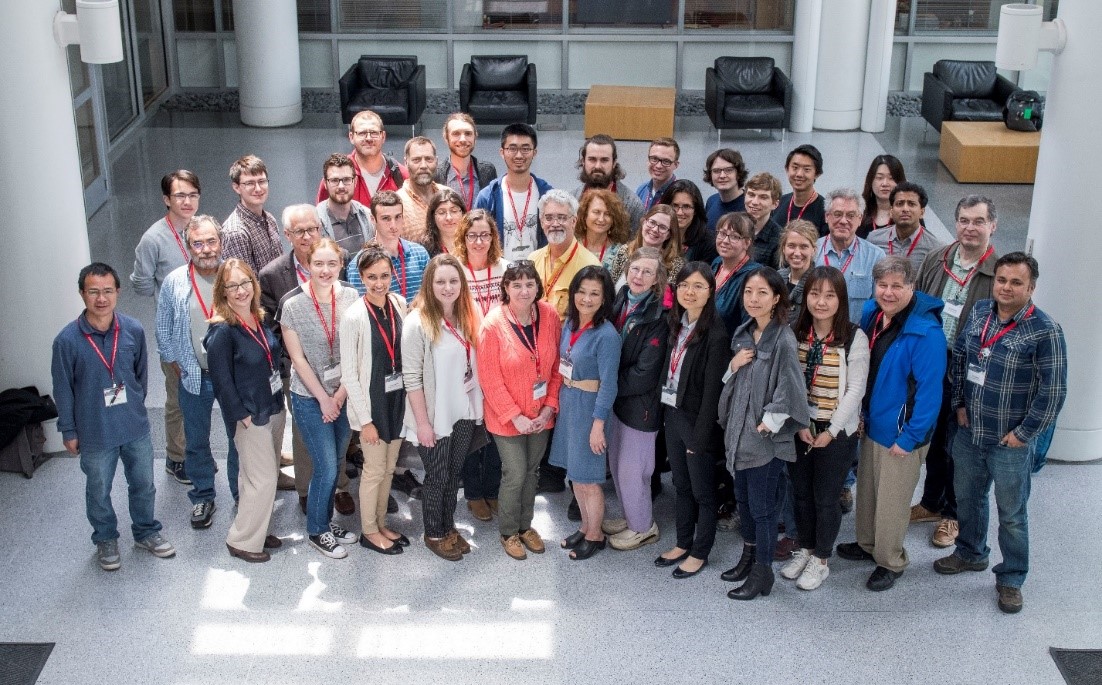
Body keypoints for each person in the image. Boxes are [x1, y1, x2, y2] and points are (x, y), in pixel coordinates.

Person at [936, 252, 1067, 614]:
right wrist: (959, 404)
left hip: (1010, 441)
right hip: (970, 431)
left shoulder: (1045, 330)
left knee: (1012, 514)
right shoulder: (979, 312)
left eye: (1016, 282)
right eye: (1002, 280)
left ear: (1031, 287)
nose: (1006, 288)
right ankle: (971, 552)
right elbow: (961, 359)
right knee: (968, 499)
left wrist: (1024, 434)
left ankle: (1011, 577)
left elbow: (1053, 392)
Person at [52, 262, 175, 571]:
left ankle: (146, 531)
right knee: (98, 489)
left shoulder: (132, 329)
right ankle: (105, 537)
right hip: (95, 432)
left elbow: (140, 377)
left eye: (107, 291)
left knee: (144, 483)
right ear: (82, 294)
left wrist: (133, 405)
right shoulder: (67, 341)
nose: (101, 298)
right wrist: (68, 430)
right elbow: (63, 390)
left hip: (133, 425)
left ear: (118, 292)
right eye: (93, 292)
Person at [836, 256, 947, 592]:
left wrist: (910, 437)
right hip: (872, 423)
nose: (888, 292)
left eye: (897, 285)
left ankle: (890, 561)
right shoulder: (873, 314)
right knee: (868, 491)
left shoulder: (926, 333)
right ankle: (868, 544)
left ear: (912, 287)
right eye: (882, 285)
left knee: (892, 503)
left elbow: (929, 394)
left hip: (902, 434)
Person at [911, 195, 1000, 549]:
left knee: (958, 445)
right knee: (933, 440)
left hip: (971, 370)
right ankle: (931, 502)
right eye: (964, 220)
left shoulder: (998, 271)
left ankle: (953, 514)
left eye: (978, 221)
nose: (970, 228)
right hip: (934, 363)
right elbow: (918, 302)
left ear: (993, 225)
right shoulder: (938, 259)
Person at [717, 268, 810, 600]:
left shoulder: (783, 338)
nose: (753, 299)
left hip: (765, 442)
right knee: (743, 501)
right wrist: (733, 366)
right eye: (748, 292)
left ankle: (763, 572)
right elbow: (732, 381)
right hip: (738, 437)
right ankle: (748, 556)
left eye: (761, 293)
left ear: (777, 298)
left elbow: (791, 388)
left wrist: (769, 422)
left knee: (763, 508)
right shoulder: (743, 333)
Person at [260, 204, 354, 512]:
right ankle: (305, 488)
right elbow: (273, 329)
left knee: (339, 429)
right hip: (298, 369)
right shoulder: (273, 275)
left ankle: (337, 485)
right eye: (299, 231)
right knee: (304, 433)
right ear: (287, 235)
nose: (306, 236)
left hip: (339, 369)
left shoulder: (340, 265)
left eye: (312, 229)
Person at [781, 266, 869, 591]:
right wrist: (801, 423)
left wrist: (831, 430)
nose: (821, 301)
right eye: (815, 294)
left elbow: (856, 389)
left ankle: (821, 559)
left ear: (841, 299)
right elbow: (789, 384)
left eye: (830, 295)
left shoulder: (854, 336)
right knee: (800, 493)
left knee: (826, 497)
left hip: (837, 432)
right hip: (801, 428)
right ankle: (805, 548)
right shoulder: (794, 331)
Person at [277, 238, 360, 559]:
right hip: (309, 398)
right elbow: (297, 359)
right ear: (307, 266)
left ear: (341, 266)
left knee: (337, 461)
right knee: (325, 466)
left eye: (332, 264)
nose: (325, 270)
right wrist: (325, 400)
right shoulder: (293, 305)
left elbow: (355, 351)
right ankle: (316, 531)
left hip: (343, 393)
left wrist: (339, 395)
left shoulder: (352, 297)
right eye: (318, 264)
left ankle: (324, 521)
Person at [156, 215, 239, 529]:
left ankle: (241, 496)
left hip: (231, 376)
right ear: (188, 246)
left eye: (211, 241)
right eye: (197, 243)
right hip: (194, 375)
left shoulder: (235, 275)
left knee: (238, 438)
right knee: (196, 440)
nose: (205, 249)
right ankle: (203, 495)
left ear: (221, 242)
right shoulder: (175, 281)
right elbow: (163, 327)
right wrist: (173, 360)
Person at [401, 254, 486, 561]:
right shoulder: (417, 322)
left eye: (453, 281)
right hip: (434, 417)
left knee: (453, 474)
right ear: (429, 284)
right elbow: (411, 378)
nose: (448, 287)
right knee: (436, 476)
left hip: (462, 412)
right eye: (440, 282)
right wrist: (422, 424)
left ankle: (448, 527)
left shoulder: (468, 315)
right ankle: (434, 533)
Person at [477, 261, 563, 560]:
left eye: (530, 284)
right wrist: (516, 416)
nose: (524, 290)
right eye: (517, 285)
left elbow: (556, 368)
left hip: (541, 416)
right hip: (507, 418)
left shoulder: (550, 315)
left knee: (532, 470)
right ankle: (509, 531)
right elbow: (489, 379)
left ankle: (527, 526)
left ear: (538, 286)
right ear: (506, 288)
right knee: (514, 472)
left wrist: (549, 408)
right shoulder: (492, 325)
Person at [204, 259, 286, 563]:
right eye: (232, 285)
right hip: (251, 415)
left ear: (254, 284)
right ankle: (241, 541)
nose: (240, 290)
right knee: (261, 480)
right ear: (222, 292)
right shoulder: (222, 332)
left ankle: (256, 528)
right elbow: (221, 382)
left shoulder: (258, 318)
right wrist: (242, 415)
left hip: (273, 406)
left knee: (255, 478)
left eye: (245, 283)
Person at [654, 263, 731, 579]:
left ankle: (700, 551)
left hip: (697, 424)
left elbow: (713, 392)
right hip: (673, 416)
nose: (690, 291)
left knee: (703, 491)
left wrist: (699, 439)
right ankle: (683, 542)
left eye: (699, 286)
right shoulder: (677, 323)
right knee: (681, 485)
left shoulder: (716, 333)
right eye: (685, 285)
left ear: (711, 291)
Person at [339, 244, 412, 555]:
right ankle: (369, 531)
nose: (380, 283)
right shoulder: (353, 316)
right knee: (373, 470)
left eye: (385, 275)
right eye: (372, 277)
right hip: (372, 405)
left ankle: (381, 523)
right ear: (361, 278)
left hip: (397, 400)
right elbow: (349, 375)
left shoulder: (398, 302)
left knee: (389, 467)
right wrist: (365, 422)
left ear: (392, 274)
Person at [130, 169, 199, 486]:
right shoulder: (153, 238)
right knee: (178, 399)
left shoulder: (203, 228)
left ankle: (195, 452)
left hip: (203, 329)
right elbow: (142, 284)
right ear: (166, 199)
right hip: (174, 333)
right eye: (180, 196)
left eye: (192, 195)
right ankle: (177, 458)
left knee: (199, 396)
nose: (187, 201)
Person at [551, 266, 621, 560]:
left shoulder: (607, 335)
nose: (587, 299)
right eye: (581, 291)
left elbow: (609, 384)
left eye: (595, 293)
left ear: (605, 299)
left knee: (589, 479)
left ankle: (596, 534)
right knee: (575, 476)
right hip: (570, 402)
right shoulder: (570, 323)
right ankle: (585, 525)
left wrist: (598, 424)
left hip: (590, 409)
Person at [602, 247, 669, 551]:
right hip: (619, 402)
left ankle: (643, 527)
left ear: (657, 281)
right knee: (616, 464)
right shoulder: (620, 301)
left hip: (640, 407)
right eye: (635, 269)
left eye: (647, 272)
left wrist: (607, 386)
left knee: (633, 469)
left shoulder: (658, 318)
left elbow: (645, 374)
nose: (639, 276)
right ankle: (632, 516)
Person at [474, 123, 553, 262]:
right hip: (500, 274)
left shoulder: (547, 195)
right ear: (502, 152)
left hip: (538, 274)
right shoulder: (487, 197)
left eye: (526, 149)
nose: (519, 155)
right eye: (512, 148)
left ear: (535, 152)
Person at [814, 188, 886, 323]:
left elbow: (880, 305)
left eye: (851, 215)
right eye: (837, 214)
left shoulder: (876, 256)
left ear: (860, 219)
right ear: (827, 216)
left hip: (856, 336)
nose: (843, 221)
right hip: (815, 334)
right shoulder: (812, 251)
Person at [347, 191, 431, 306]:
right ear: (373, 219)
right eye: (386, 218)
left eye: (398, 217)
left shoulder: (420, 254)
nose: (393, 225)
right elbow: (361, 309)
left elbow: (430, 297)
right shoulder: (360, 263)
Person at [529, 189, 601, 321]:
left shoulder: (590, 266)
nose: (555, 224)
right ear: (541, 222)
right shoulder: (532, 260)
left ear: (574, 221)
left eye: (562, 217)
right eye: (549, 218)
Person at [317, 109, 407, 207]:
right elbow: (322, 216)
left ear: (383, 136)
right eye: (362, 133)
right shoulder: (335, 176)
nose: (368, 138)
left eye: (374, 133)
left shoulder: (401, 176)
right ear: (351, 137)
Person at [221, 155, 284, 276]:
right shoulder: (235, 231)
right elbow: (245, 287)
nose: (258, 189)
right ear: (237, 187)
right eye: (250, 183)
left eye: (262, 181)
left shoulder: (270, 219)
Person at [572, 133, 645, 232]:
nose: (598, 166)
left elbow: (635, 244)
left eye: (604, 160)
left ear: (614, 163)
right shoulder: (572, 200)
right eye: (592, 159)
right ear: (583, 162)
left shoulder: (632, 205)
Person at [867, 182, 943, 270]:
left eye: (911, 204)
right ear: (891, 212)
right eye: (900, 203)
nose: (905, 209)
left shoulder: (935, 248)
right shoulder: (874, 240)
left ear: (922, 212)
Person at [434, 112, 498, 210]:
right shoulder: (436, 174)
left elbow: (493, 209)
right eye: (456, 134)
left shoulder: (488, 171)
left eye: (468, 133)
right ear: (446, 138)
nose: (463, 139)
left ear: (475, 137)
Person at [608, 204, 683, 287]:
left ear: (668, 235)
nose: (654, 229)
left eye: (662, 227)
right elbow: (611, 287)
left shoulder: (674, 265)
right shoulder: (624, 251)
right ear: (643, 222)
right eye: (652, 222)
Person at [712, 212, 761, 335]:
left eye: (734, 237)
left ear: (747, 243)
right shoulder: (716, 263)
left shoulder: (754, 276)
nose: (725, 241)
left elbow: (750, 328)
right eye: (722, 233)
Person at [455, 208, 510, 318]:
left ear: (492, 237)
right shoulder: (455, 270)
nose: (479, 242)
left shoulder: (507, 269)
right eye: (472, 235)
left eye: (485, 235)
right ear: (463, 238)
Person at [316, 153, 376, 254]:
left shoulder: (368, 216)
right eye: (334, 180)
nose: (341, 186)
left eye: (346, 180)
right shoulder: (315, 223)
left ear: (355, 181)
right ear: (325, 184)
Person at [396, 136, 450, 245]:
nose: (423, 166)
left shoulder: (449, 195)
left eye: (428, 159)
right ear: (406, 163)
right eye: (416, 160)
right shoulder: (397, 203)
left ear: (436, 161)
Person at [772, 144, 827, 236]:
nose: (799, 174)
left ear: (817, 174)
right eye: (795, 168)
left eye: (806, 169)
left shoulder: (825, 210)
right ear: (787, 169)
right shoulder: (779, 202)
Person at [658, 179, 717, 265]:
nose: (680, 212)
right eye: (675, 206)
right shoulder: (657, 233)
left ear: (696, 210)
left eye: (686, 206)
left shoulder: (709, 243)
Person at [575, 188, 630, 272]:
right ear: (585, 214)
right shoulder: (571, 245)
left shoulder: (621, 254)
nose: (601, 219)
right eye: (596, 212)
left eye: (607, 214)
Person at [777, 220, 820, 323]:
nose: (797, 253)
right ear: (783, 248)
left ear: (813, 250)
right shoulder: (776, 278)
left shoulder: (819, 282)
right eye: (791, 246)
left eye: (804, 247)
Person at [858, 154, 907, 239]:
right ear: (871, 181)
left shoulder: (909, 214)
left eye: (891, 178)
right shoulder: (859, 212)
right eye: (879, 178)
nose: (885, 183)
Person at [744, 172, 783, 269]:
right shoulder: (733, 228)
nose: (755, 202)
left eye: (763, 197)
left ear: (775, 204)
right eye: (751, 195)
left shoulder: (779, 240)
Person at [703, 148, 748, 230]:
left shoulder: (750, 205)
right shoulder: (711, 201)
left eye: (728, 170)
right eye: (716, 171)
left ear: (738, 173)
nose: (722, 175)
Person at [636, 137, 680, 210]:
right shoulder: (642, 190)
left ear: (676, 165)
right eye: (654, 159)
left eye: (666, 161)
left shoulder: (680, 196)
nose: (658, 166)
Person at [423, 188, 466, 256]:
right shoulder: (424, 250)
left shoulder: (472, 243)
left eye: (454, 211)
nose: (449, 218)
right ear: (433, 216)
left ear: (463, 213)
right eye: (441, 212)